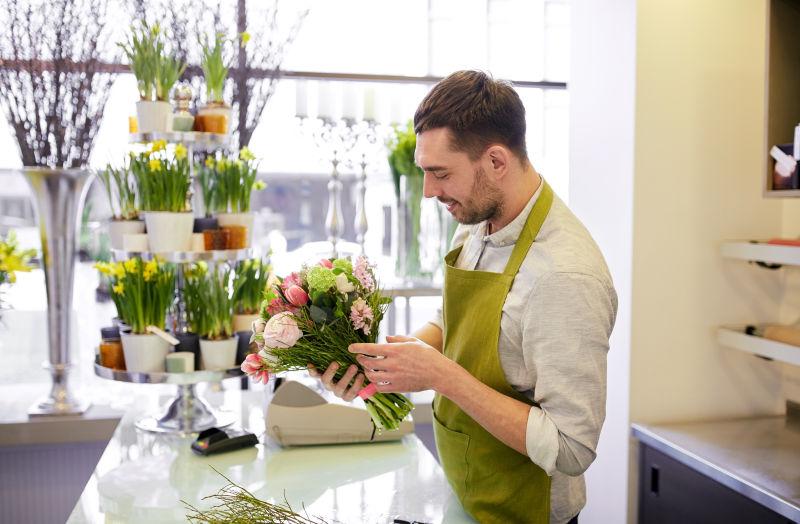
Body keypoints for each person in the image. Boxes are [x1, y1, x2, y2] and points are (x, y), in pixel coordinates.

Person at [310, 70, 617, 524]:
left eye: (440, 173)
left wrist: (442, 376)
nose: (430, 191)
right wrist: (382, 365)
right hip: (465, 494)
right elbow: (453, 321)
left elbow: (571, 448)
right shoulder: (478, 218)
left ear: (496, 161)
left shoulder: (564, 276)